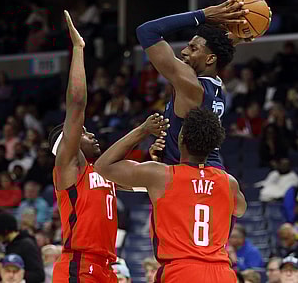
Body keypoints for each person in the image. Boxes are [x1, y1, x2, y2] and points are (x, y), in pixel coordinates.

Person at [94, 108, 247, 282]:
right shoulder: (229, 183)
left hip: (182, 271)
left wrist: (143, 130)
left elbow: (103, 167)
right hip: (222, 274)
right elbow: (240, 209)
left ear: (181, 139)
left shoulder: (161, 175)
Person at [48, 11, 122, 283]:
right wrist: (78, 49)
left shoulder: (102, 171)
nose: (91, 134)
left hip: (106, 267)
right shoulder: (70, 167)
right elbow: (77, 102)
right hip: (79, 265)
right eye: (84, 132)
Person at [136, 0, 250, 168]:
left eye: (193, 48)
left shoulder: (190, 84)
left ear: (210, 59)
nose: (183, 51)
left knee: (108, 169)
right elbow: (216, 52)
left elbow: (146, 31)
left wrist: (203, 15)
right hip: (212, 174)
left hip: (191, 179)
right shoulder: (218, 86)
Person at [0, 212, 45, 283]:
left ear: (5, 230)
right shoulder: (10, 245)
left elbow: (39, 275)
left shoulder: (27, 245)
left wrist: (7, 272)